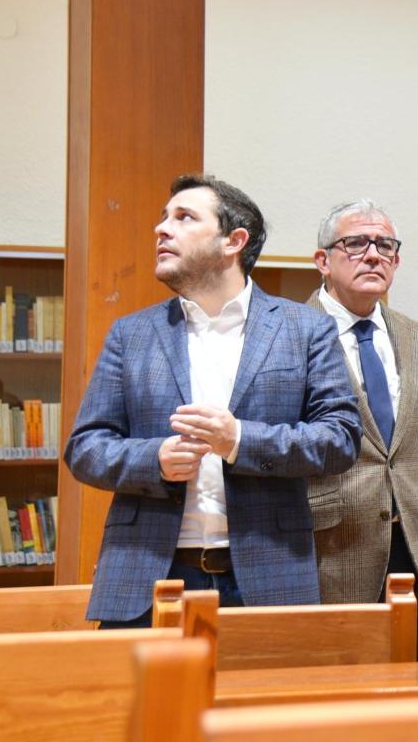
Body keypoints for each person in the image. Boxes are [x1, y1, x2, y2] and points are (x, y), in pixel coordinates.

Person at [65, 174, 360, 626]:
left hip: (268, 579)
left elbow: (339, 438)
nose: (161, 229)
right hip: (150, 578)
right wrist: (154, 459)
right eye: (164, 219)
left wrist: (239, 439)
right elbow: (84, 447)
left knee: (264, 701)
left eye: (184, 218)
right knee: (146, 701)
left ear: (233, 241)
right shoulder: (132, 334)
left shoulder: (305, 330)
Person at [306, 199, 418, 660]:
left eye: (385, 245)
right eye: (355, 243)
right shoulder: (289, 332)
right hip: (331, 552)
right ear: (322, 261)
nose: (373, 255)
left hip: (415, 549)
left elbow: (417, 439)